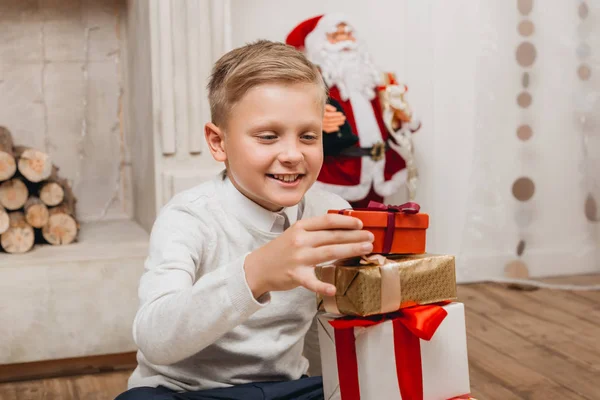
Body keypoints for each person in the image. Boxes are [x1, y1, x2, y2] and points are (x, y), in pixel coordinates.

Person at [114, 40, 375, 400]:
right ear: (218, 142)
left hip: (286, 388)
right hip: (186, 392)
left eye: (308, 136)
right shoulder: (189, 216)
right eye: (268, 137)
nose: (292, 154)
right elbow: (154, 339)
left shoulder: (330, 210)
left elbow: (335, 323)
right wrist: (255, 273)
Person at [286, 13, 422, 208]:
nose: (345, 41)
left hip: (378, 171)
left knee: (375, 230)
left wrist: (400, 118)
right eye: (336, 36)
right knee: (334, 229)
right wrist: (313, 121)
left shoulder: (373, 80)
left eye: (348, 34)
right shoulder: (309, 84)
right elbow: (286, 118)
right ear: (318, 45)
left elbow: (391, 122)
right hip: (337, 173)